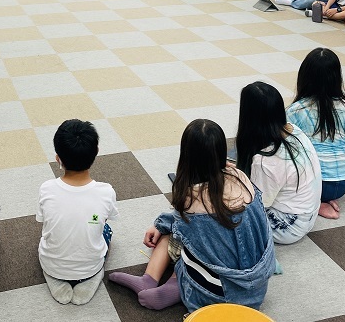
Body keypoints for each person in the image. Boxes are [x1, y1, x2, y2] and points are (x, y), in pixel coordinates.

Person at [109, 119, 275, 312]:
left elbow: (181, 232)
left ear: (186, 156)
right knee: (194, 235)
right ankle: (165, 285)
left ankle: (155, 281)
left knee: (172, 236)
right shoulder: (241, 177)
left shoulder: (190, 198)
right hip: (257, 288)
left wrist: (159, 225)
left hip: (218, 295)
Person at [37, 119, 118, 305]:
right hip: (90, 266)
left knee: (53, 231)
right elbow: (105, 218)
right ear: (96, 152)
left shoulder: (46, 188)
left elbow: (42, 219)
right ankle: (93, 276)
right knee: (106, 230)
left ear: (58, 158)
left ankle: (54, 277)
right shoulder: (106, 191)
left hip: (52, 264)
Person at [236, 82, 321, 244]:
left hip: (288, 226)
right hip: (309, 215)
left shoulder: (265, 160)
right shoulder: (294, 130)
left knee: (220, 214)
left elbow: (258, 205)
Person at [287, 49, 345, 220]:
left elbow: (287, 152)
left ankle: (315, 202)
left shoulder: (295, 111)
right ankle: (323, 197)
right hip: (343, 182)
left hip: (311, 184)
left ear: (304, 76)